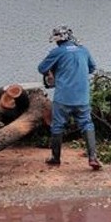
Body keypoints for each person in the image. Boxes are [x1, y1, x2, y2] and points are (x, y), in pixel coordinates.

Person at [37, 25, 101, 170]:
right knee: (87, 124)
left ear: (58, 40)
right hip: (82, 97)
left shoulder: (57, 52)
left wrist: (54, 71)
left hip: (63, 97)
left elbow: (41, 68)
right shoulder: (84, 50)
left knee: (57, 125)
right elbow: (92, 68)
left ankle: (55, 158)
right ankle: (93, 158)